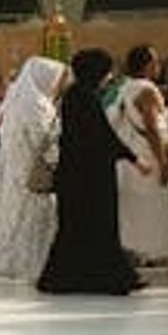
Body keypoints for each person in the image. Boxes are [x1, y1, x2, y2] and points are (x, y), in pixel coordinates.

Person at [38, 49, 146, 296]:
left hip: (77, 176)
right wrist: (133, 158)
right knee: (98, 226)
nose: (109, 76)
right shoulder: (84, 97)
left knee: (76, 227)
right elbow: (103, 136)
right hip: (90, 179)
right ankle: (108, 278)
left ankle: (73, 278)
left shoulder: (76, 95)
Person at [0, 56, 66, 283]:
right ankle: (34, 263)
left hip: (15, 169)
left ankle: (13, 262)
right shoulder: (37, 105)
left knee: (17, 215)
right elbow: (44, 140)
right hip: (34, 170)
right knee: (35, 215)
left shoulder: (16, 102)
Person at [108, 46, 168, 264]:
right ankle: (153, 253)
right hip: (148, 158)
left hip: (130, 159)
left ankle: (134, 253)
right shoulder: (147, 90)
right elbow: (152, 128)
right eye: (156, 62)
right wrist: (163, 162)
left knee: (133, 210)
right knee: (153, 208)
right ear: (148, 65)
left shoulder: (124, 88)